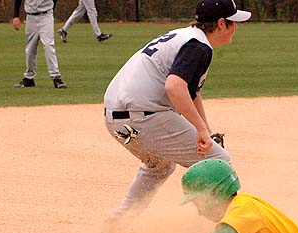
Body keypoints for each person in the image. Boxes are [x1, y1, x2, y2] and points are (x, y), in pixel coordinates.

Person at [102, 0, 251, 221]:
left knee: (159, 166)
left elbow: (192, 93)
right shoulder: (199, 47)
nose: (236, 27)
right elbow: (174, 86)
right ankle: (229, 232)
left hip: (116, 119)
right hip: (144, 117)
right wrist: (200, 129)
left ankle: (116, 225)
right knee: (220, 165)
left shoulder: (186, 36)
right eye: (233, 22)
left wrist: (205, 132)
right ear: (221, 23)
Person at [13, 0, 67, 88]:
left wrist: (52, 9)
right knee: (30, 48)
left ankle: (56, 78)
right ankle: (29, 78)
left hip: (46, 15)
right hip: (30, 17)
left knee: (48, 45)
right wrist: (16, 16)